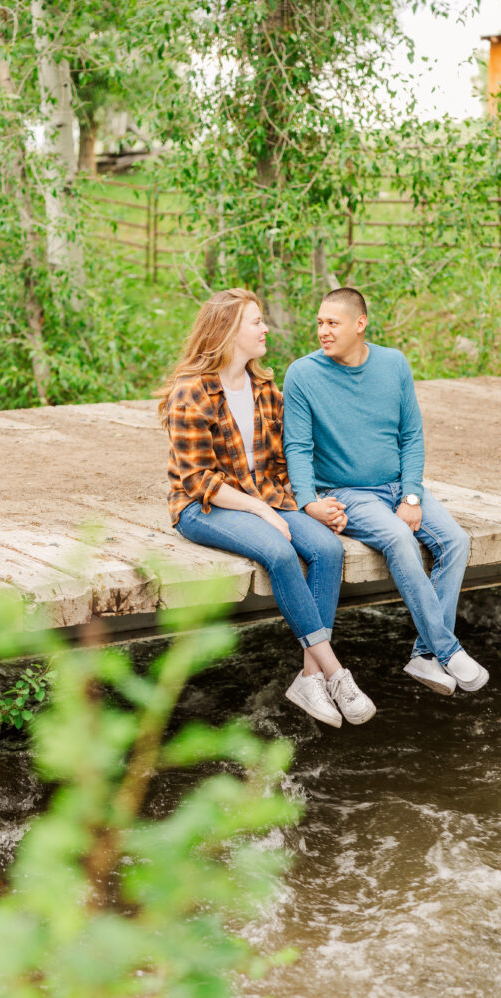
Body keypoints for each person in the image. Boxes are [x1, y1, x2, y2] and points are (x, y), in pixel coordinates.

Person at [158, 287, 376, 728]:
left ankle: (310, 676)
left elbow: (281, 463)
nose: (265, 329)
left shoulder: (265, 389)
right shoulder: (191, 392)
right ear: (228, 331)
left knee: (327, 549)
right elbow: (199, 480)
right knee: (279, 552)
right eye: (256, 322)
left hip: (266, 496)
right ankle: (335, 672)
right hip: (204, 507)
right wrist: (263, 512)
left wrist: (312, 506)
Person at [282, 286, 489, 697]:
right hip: (348, 493)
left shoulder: (394, 364)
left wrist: (411, 496)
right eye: (320, 323)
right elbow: (297, 448)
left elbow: (411, 435)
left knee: (456, 541)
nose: (323, 331)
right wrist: (308, 502)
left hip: (397, 486)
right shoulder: (303, 374)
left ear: (360, 324)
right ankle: (447, 650)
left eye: (332, 323)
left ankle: (425, 655)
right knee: (399, 538)